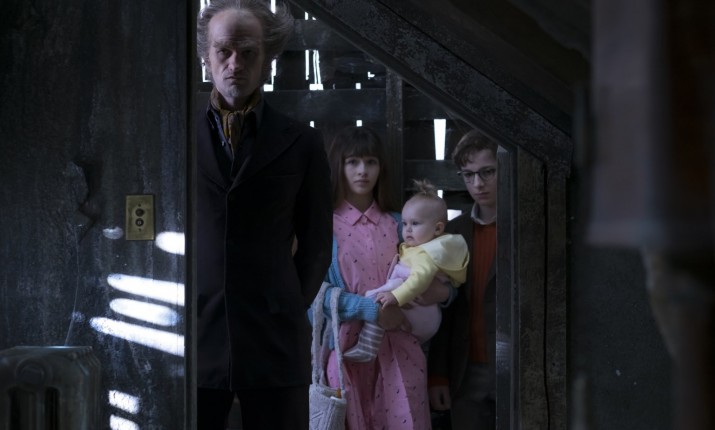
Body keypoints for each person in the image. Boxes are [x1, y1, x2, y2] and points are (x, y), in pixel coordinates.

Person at [195, 1, 333, 429]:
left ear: (267, 59)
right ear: (206, 56)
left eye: (248, 52)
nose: (235, 64)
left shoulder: (302, 142)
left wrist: (287, 301)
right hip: (194, 331)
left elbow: (316, 244)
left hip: (274, 335)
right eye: (224, 51)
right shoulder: (176, 133)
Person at [313, 125, 447, 429]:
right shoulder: (323, 226)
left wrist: (443, 293)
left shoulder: (401, 224)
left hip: (400, 346)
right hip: (346, 350)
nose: (363, 171)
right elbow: (313, 297)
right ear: (338, 166)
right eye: (353, 162)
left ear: (381, 167)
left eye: (371, 162)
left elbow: (438, 270)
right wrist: (372, 310)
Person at [343, 179, 469, 362]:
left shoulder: (427, 253)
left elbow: (419, 279)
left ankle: (367, 347)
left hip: (423, 313)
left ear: (438, 228)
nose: (407, 229)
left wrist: (396, 296)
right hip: (420, 313)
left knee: (377, 296)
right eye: (405, 223)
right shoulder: (420, 247)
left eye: (415, 223)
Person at [427, 130, 499, 429]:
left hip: (515, 366)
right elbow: (445, 311)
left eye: (487, 172)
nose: (478, 184)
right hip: (465, 369)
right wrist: (438, 375)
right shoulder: (454, 234)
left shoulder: (529, 225)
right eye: (468, 175)